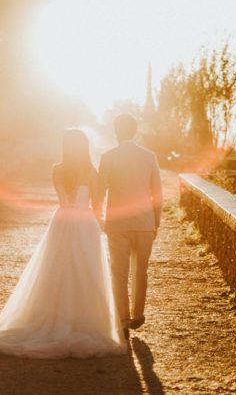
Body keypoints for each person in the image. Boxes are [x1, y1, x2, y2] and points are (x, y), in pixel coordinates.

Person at [0, 129, 127, 358]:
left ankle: (53, 316)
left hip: (61, 221)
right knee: (86, 272)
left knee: (56, 270)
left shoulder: (57, 170)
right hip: (85, 223)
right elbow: (98, 205)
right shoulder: (91, 171)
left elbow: (63, 201)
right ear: (84, 148)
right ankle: (84, 321)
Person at [96, 113, 163, 340]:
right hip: (145, 223)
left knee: (119, 273)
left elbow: (99, 192)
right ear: (134, 131)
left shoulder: (108, 157)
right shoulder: (149, 156)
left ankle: (123, 320)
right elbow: (157, 194)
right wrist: (156, 222)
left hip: (117, 223)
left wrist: (100, 219)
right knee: (140, 271)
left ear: (116, 131)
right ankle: (138, 314)